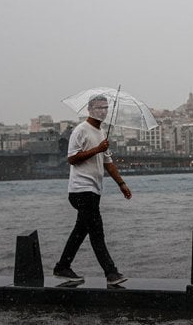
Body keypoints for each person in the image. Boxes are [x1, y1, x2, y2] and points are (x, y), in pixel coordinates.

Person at [53, 94, 131, 286]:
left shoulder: (102, 133)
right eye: (98, 108)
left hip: (94, 191)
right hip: (80, 190)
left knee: (80, 231)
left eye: (105, 108)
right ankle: (111, 273)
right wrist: (97, 149)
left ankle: (63, 266)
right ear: (89, 109)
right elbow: (72, 158)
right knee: (97, 231)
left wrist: (121, 184)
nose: (102, 111)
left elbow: (108, 162)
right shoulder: (80, 130)